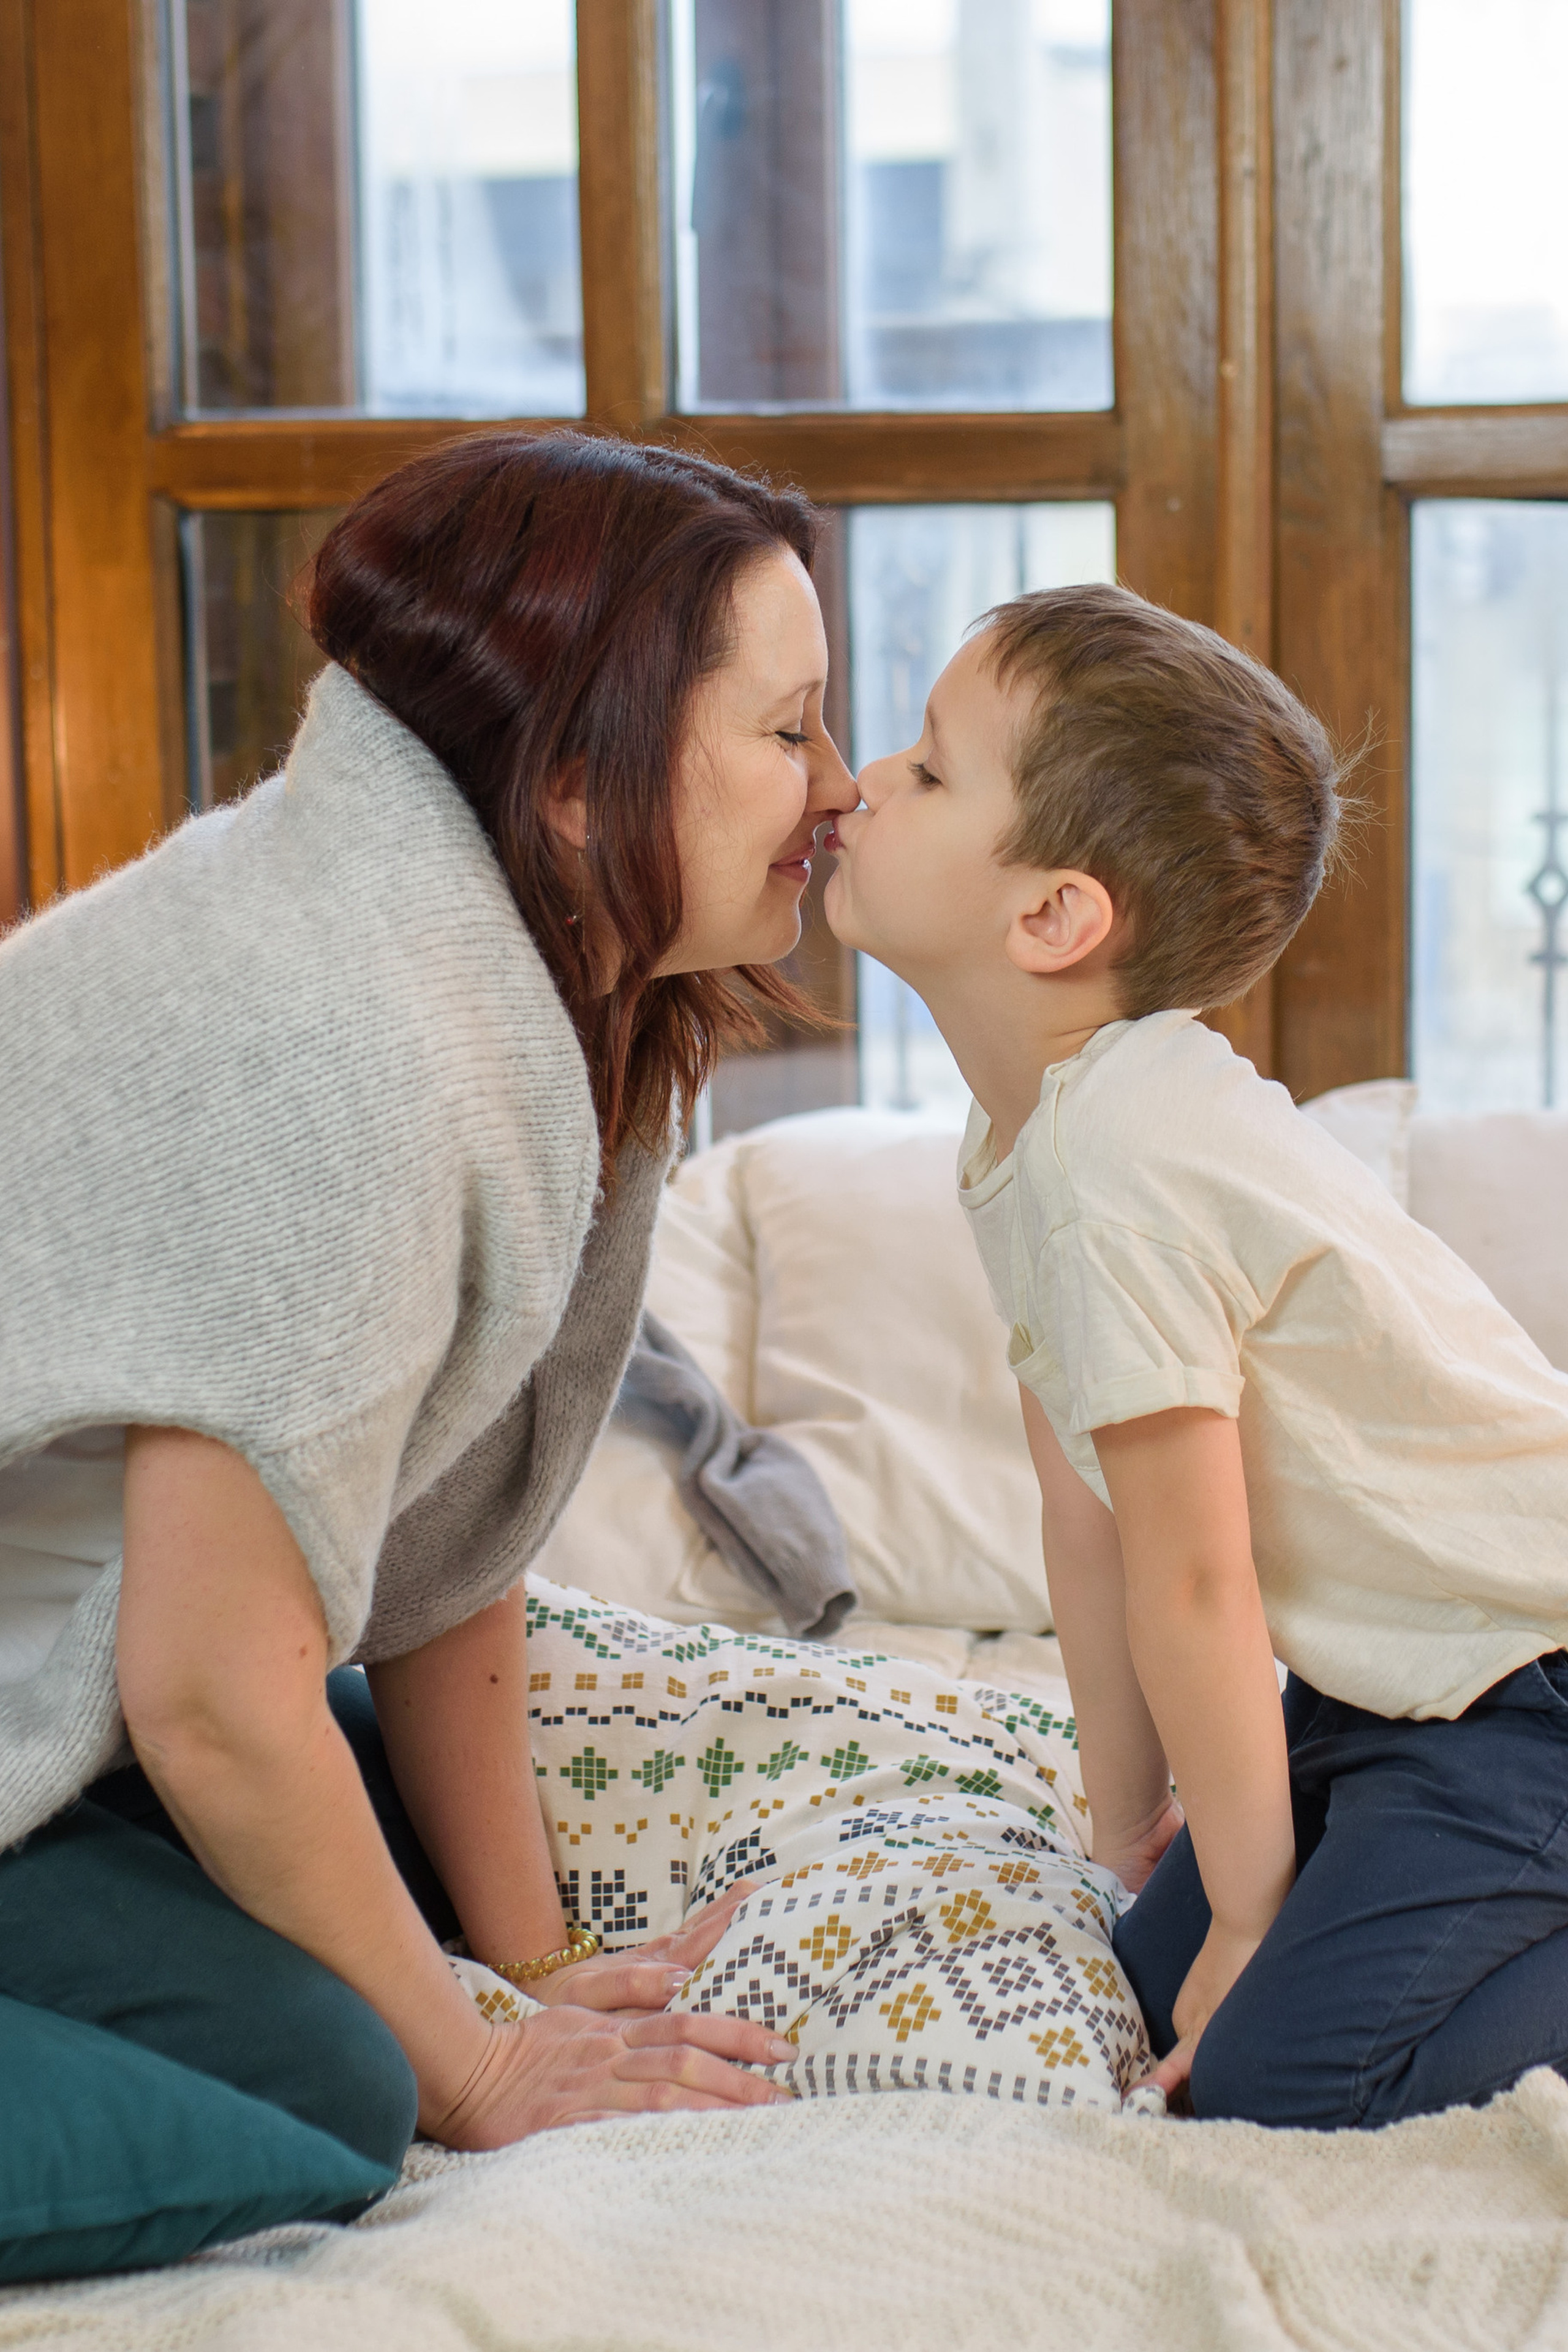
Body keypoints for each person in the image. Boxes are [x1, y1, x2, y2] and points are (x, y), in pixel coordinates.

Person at [0, 429, 859, 2248]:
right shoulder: (346, 1044)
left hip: (101, 1675)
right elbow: (218, 1695)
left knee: (370, 1890)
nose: (841, 789)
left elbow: (457, 1524)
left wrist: (522, 1959)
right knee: (334, 2082)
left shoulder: (546, 994)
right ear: (571, 783)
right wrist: (477, 2067)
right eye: (789, 733)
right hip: (140, 1685)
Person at [822, 579, 1568, 2129]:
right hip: (1394, 1685)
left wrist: (1246, 1914)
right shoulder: (1026, 1131)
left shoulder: (1124, 1162)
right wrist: (1129, 1829)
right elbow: (1082, 1511)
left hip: (1526, 1676)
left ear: (1051, 916)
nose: (859, 783)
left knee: (1269, 2078)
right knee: (1143, 1979)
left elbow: (1195, 1580)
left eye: (926, 765)